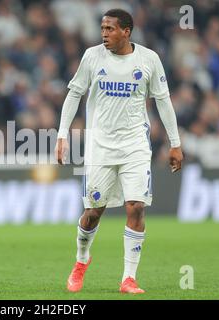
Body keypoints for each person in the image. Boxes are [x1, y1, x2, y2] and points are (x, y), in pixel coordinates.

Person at [55, 9, 183, 294]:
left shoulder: (149, 60)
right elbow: (74, 93)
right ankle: (81, 260)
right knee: (93, 212)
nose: (104, 34)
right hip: (100, 146)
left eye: (110, 29)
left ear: (127, 31)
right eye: (102, 28)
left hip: (135, 144)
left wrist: (175, 142)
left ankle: (128, 278)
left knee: (136, 206)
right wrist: (61, 135)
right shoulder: (92, 56)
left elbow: (163, 101)